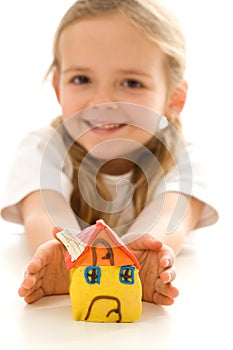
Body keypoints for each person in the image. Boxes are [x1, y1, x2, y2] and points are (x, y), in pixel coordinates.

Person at [1, 0, 218, 306]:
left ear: (174, 99)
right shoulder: (43, 147)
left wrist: (139, 259)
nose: (102, 100)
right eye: (81, 79)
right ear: (58, 89)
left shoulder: (184, 157)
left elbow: (171, 219)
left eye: (131, 82)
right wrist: (68, 253)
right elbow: (44, 214)